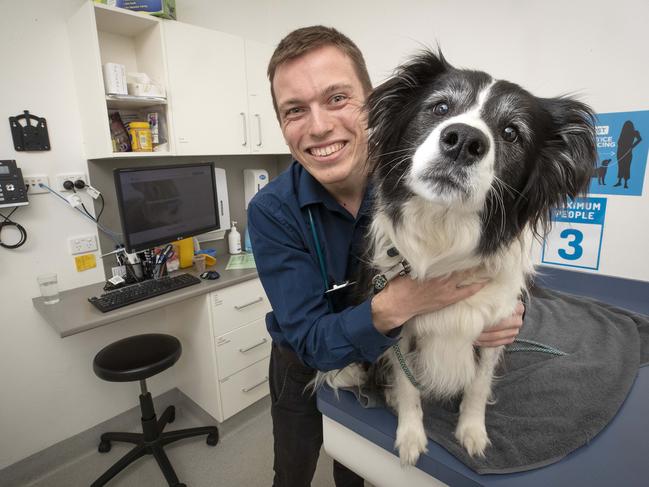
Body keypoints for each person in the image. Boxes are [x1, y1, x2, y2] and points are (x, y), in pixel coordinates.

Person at [248, 26, 524, 487]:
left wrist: (511, 308)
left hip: (393, 353)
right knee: (291, 469)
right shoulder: (272, 212)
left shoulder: (424, 178)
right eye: (295, 110)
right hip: (306, 359)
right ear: (281, 123)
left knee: (356, 465)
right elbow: (313, 341)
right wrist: (405, 301)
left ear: (373, 100)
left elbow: (499, 249)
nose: (318, 127)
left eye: (337, 98)